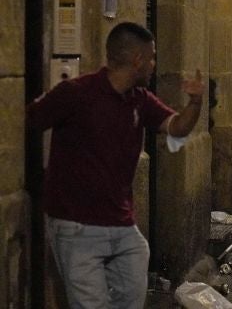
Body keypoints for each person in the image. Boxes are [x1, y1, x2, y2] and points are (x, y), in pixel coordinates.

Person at [26, 22, 203, 309]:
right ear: (137, 60)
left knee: (136, 264)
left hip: (121, 225)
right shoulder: (76, 92)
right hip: (76, 225)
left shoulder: (139, 100)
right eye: (152, 57)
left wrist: (195, 103)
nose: (154, 65)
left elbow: (177, 128)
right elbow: (30, 118)